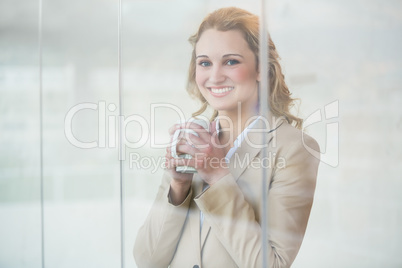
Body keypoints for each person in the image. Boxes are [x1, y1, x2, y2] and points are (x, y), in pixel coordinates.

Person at [133, 7, 320, 268]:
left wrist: (219, 177)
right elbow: (147, 260)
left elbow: (272, 264)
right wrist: (178, 188)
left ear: (260, 68)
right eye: (205, 63)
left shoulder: (294, 148)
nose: (215, 76)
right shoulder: (193, 140)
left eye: (231, 61)